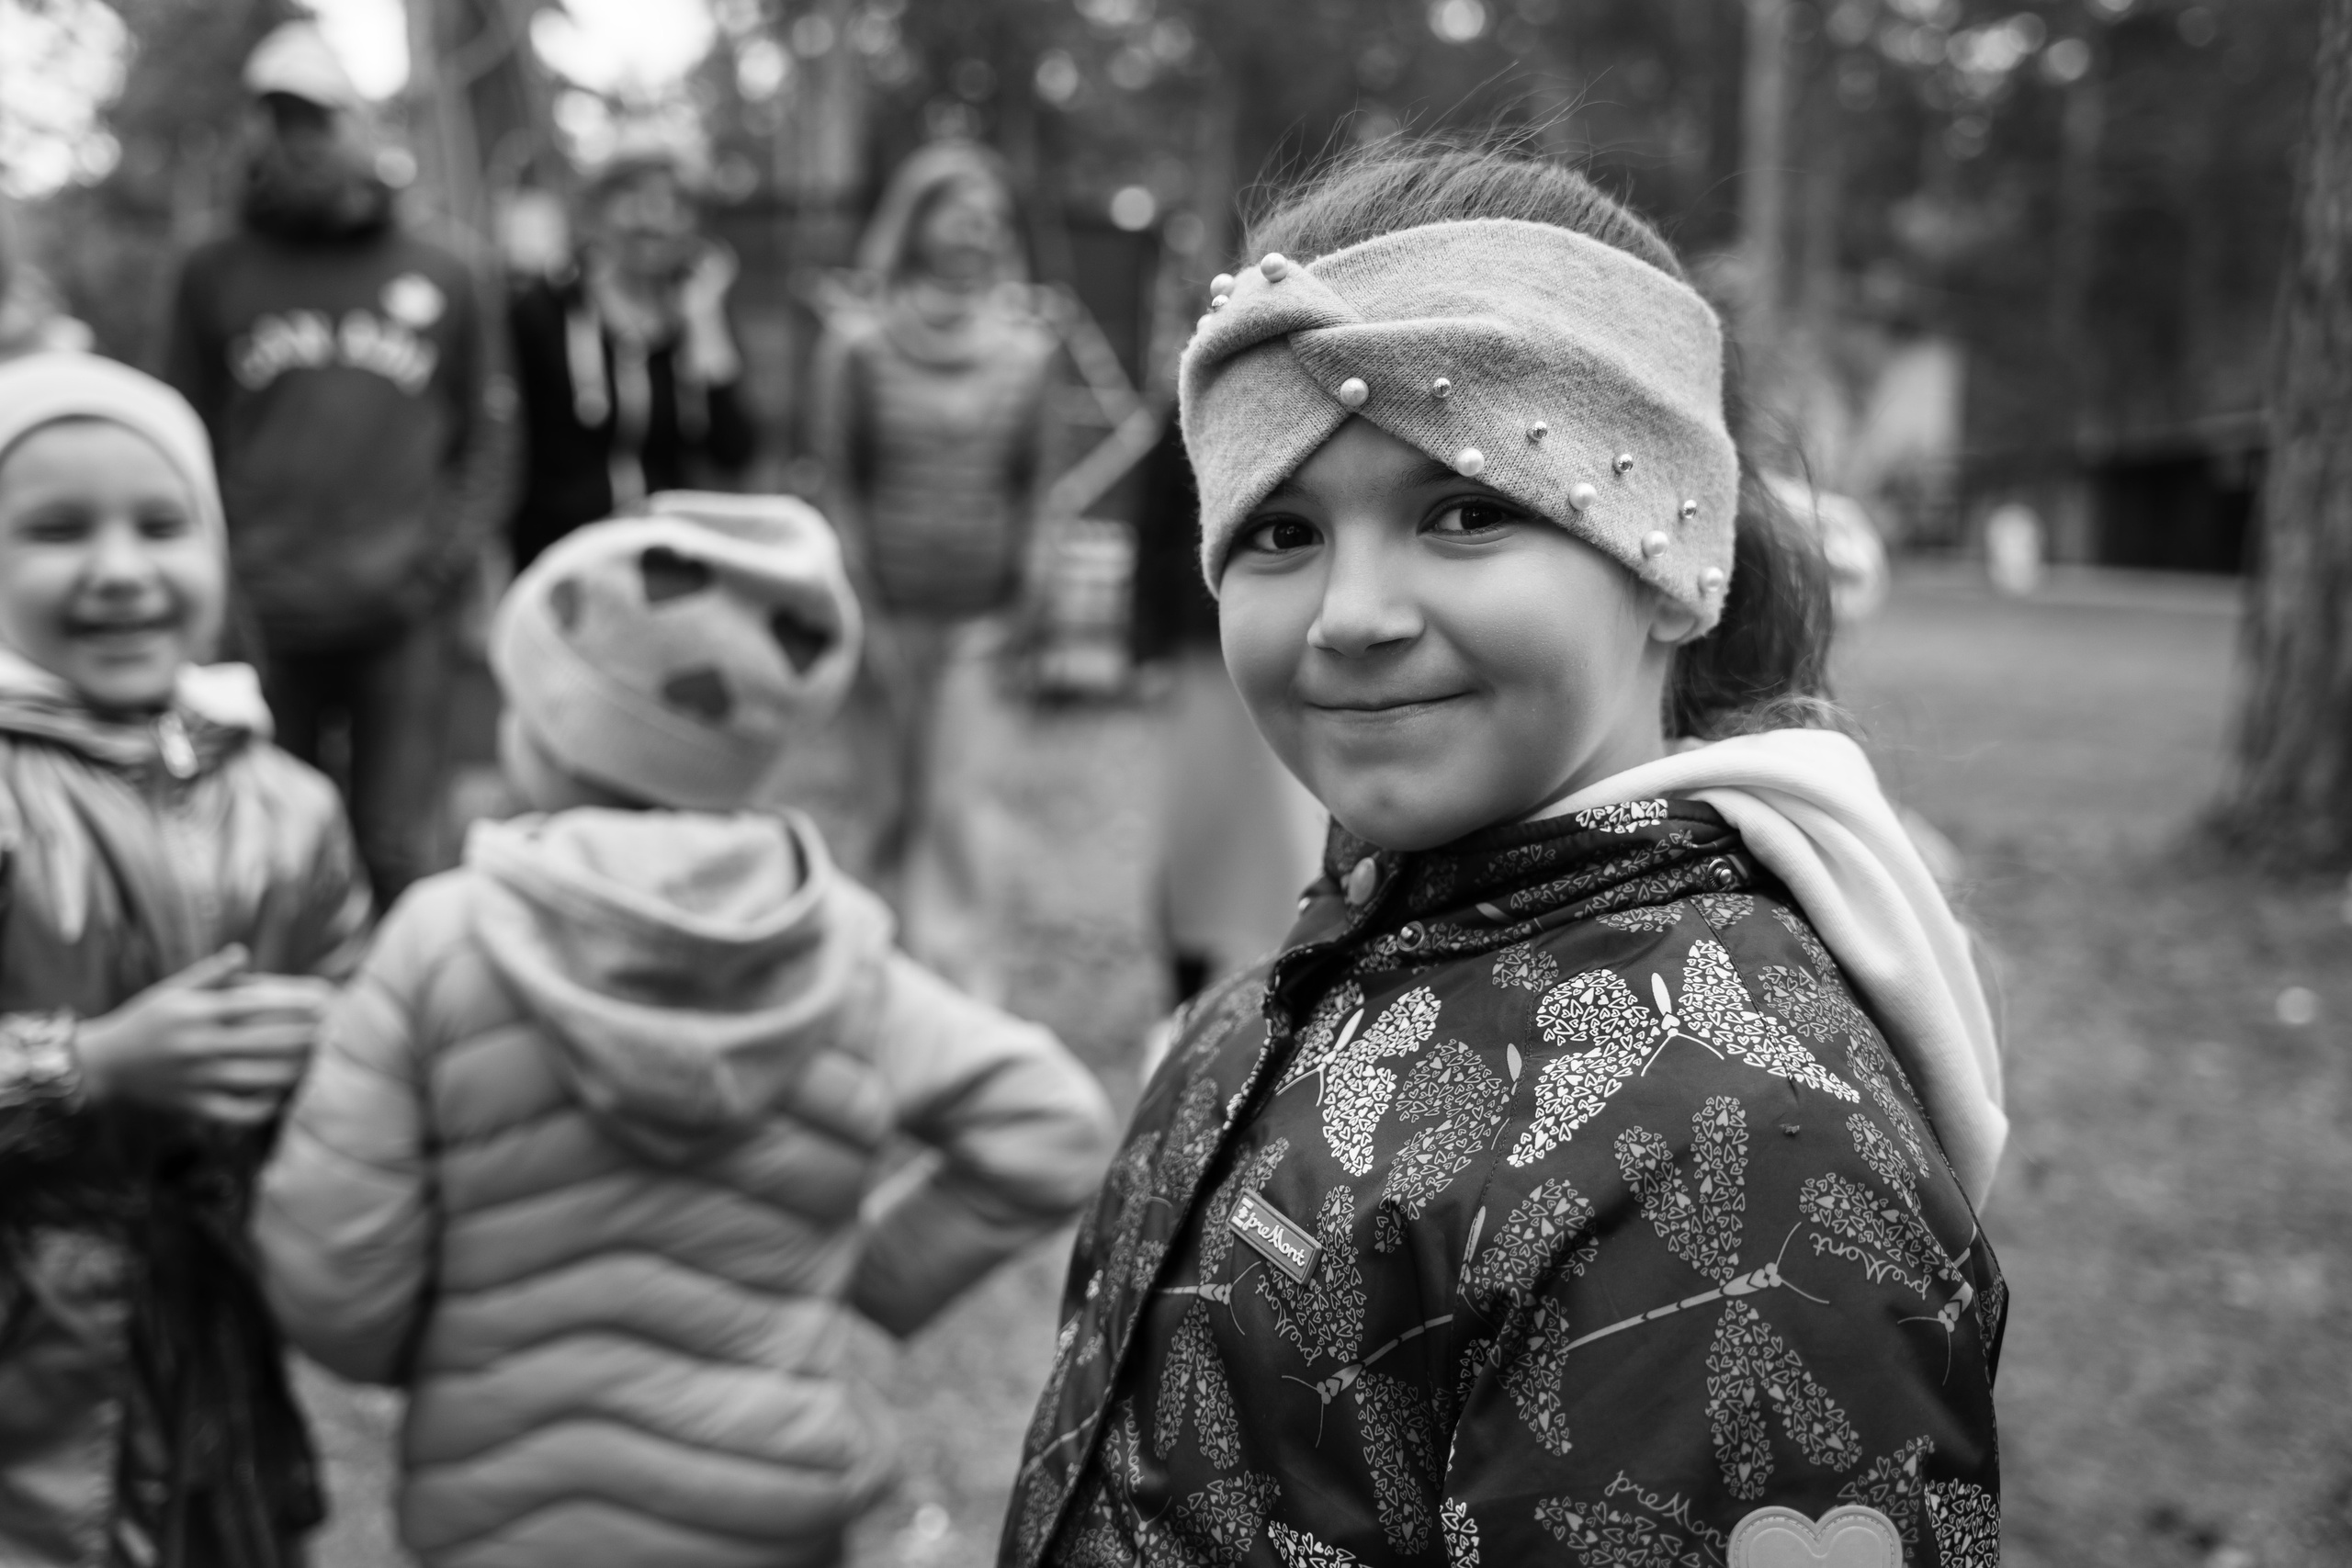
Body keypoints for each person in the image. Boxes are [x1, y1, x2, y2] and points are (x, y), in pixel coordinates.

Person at [1002, 144, 2008, 1568]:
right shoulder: (1312, 972)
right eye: (1283, 529)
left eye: (1465, 509)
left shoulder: (1736, 1160)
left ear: (1672, 560)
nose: (1352, 610)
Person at [254, 493, 1118, 1568]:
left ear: (553, 733)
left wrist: (419, 1354)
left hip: (504, 1511)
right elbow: (1052, 1126)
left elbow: (333, 1276)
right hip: (770, 1505)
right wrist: (857, 1279)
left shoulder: (443, 939)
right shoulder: (835, 950)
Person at [0, 353, 369, 1568]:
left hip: (216, 1336)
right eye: (55, 530)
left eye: (162, 524)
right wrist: (86, 1062)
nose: (119, 568)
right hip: (26, 1354)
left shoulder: (292, 805)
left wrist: (342, 1058)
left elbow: (361, 1026)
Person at [163, 20, 513, 903]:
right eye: (275, 118)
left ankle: (398, 1030)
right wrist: (222, 574)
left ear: (361, 126)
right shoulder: (212, 270)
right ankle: (289, 1028)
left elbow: (491, 435)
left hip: (402, 614)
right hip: (266, 615)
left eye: (315, 117)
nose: (295, 140)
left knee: (397, 847)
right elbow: (176, 433)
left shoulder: (444, 266)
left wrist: (439, 567)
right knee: (271, 855)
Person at [810, 142, 1062, 991]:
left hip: (980, 622)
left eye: (992, 218)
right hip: (882, 614)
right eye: (960, 211)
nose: (978, 230)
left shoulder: (1027, 353)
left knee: (963, 813)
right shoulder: (856, 346)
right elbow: (840, 482)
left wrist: (1032, 592)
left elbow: (1035, 488)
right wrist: (859, 609)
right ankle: (868, 982)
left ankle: (958, 1000)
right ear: (914, 224)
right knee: (881, 807)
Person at [505, 152, 755, 569]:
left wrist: (704, 322)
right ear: (597, 209)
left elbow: (734, 452)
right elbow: (505, 445)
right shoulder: (545, 310)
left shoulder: (699, 312)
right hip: (560, 566)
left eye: (676, 204)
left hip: (667, 570)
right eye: (635, 199)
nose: (655, 219)